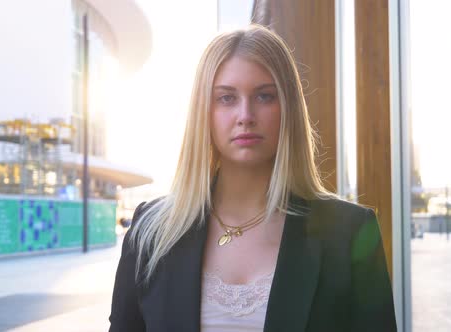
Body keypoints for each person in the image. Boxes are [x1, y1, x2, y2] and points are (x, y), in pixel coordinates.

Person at [109, 24, 396, 332]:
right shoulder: (151, 232)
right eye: (226, 98)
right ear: (203, 111)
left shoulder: (348, 231)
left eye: (264, 96)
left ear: (288, 108)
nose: (245, 114)